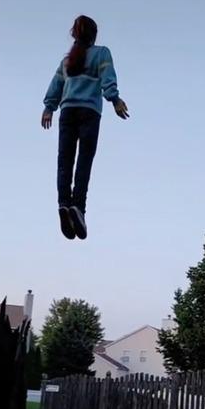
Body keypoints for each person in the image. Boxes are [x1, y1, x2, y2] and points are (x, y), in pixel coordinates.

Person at [42, 15, 129, 240]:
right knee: (84, 162)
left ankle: (63, 205)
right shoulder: (101, 53)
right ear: (94, 35)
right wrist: (115, 100)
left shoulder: (68, 61)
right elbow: (108, 77)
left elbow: (56, 84)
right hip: (89, 113)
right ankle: (78, 208)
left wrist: (49, 108)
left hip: (67, 112)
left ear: (75, 34)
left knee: (64, 161)